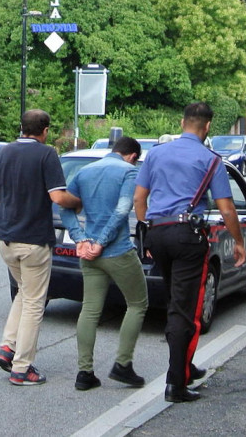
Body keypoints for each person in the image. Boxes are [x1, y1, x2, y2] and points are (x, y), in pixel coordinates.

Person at [134, 102, 246, 403]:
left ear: (182, 122)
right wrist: (238, 241)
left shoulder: (155, 153)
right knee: (185, 309)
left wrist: (147, 226)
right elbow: (226, 207)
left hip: (157, 233)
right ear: (207, 127)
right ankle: (176, 384)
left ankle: (185, 365)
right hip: (187, 237)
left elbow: (139, 197)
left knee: (174, 300)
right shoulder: (210, 160)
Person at [0, 109, 81, 386]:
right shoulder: (46, 154)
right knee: (35, 303)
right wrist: (78, 201)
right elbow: (58, 197)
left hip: (6, 240)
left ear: (21, 127)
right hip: (34, 240)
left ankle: (8, 346)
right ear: (45, 130)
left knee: (25, 294)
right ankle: (22, 367)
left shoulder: (1, 153)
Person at [59, 137, 149, 391]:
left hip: (89, 255)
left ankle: (84, 373)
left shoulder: (85, 171)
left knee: (89, 310)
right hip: (118, 251)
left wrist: (81, 238)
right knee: (138, 304)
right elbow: (122, 210)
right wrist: (101, 241)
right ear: (132, 155)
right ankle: (123, 365)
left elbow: (66, 207)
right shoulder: (129, 171)